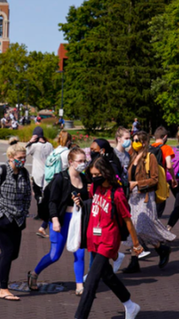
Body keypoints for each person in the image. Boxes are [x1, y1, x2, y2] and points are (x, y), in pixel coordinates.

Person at [73, 156, 142, 319]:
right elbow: (92, 205)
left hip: (108, 241)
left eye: (97, 174)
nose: (94, 178)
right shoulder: (94, 188)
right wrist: (80, 203)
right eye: (92, 175)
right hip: (93, 239)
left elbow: (127, 219)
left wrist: (136, 244)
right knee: (107, 275)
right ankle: (130, 305)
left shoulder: (117, 194)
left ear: (105, 173)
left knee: (90, 282)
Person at [28, 148, 88, 295]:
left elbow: (86, 199)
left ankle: (79, 285)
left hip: (77, 220)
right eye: (80, 161)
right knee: (55, 255)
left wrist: (81, 202)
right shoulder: (61, 178)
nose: (83, 164)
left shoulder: (84, 178)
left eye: (84, 161)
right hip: (62, 219)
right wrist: (55, 221)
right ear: (71, 162)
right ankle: (34, 273)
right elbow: (52, 202)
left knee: (79, 253)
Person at [0, 138, 31, 301]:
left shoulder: (24, 173)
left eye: (24, 157)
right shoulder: (0, 171)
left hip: (17, 220)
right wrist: (0, 215)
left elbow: (27, 197)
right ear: (11, 157)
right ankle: (3, 289)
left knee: (13, 253)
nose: (22, 160)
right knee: (8, 251)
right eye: (20, 157)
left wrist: (23, 213)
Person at [123, 131, 175, 273]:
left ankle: (160, 247)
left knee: (141, 227)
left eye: (137, 140)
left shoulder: (149, 157)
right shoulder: (132, 156)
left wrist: (137, 184)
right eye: (133, 140)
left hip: (145, 196)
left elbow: (154, 179)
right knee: (132, 229)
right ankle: (135, 262)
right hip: (133, 198)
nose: (134, 143)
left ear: (145, 142)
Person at [26, 127, 54, 237]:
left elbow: (26, 152)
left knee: (37, 193)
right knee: (45, 192)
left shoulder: (34, 146)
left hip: (37, 172)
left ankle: (40, 213)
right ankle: (43, 212)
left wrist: (30, 141)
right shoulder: (49, 145)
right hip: (47, 172)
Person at [114, 127, 131, 197]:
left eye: (129, 138)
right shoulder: (113, 154)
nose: (129, 140)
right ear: (119, 139)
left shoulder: (128, 155)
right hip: (117, 189)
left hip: (126, 188)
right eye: (126, 138)